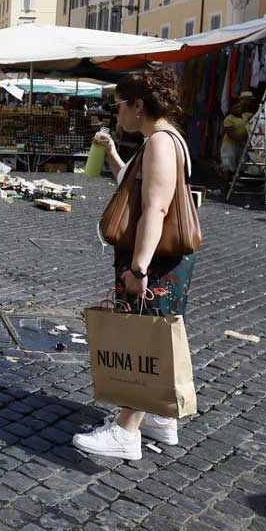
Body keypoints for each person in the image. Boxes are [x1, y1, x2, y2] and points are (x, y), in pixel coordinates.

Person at [74, 67, 197, 461]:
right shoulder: (160, 140)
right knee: (155, 334)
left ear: (139, 105)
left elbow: (156, 209)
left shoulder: (160, 142)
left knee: (143, 339)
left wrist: (139, 268)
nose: (117, 114)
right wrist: (111, 154)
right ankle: (160, 418)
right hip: (159, 258)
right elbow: (135, 186)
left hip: (155, 261)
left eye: (120, 106)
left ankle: (127, 432)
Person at [221, 90, 255, 175]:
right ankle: (227, 183)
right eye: (236, 108)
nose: (238, 109)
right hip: (230, 145)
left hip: (241, 145)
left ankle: (237, 181)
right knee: (229, 164)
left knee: (241, 164)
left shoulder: (245, 115)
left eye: (239, 108)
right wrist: (241, 140)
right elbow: (230, 134)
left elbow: (254, 116)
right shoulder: (229, 119)